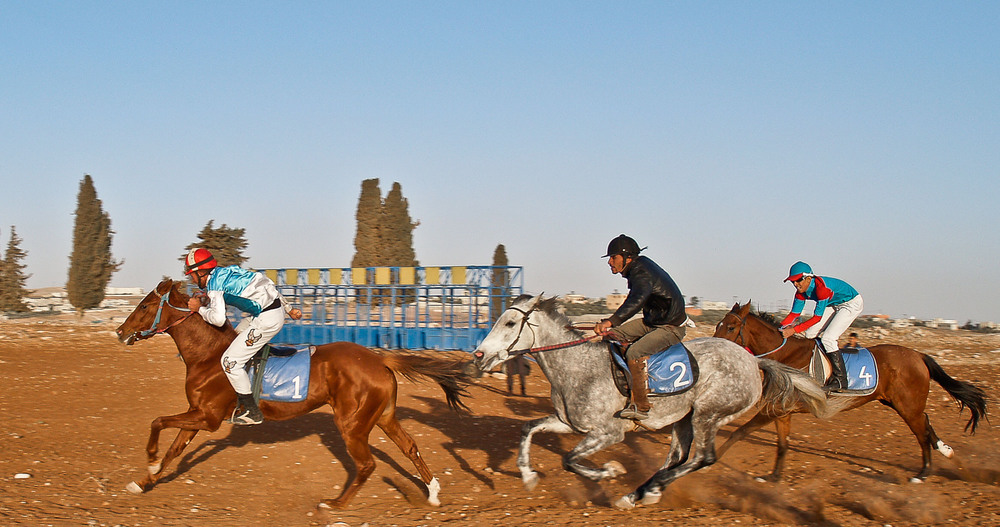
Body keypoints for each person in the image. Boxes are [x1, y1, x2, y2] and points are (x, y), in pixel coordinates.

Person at [184, 248, 302, 425]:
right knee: (232, 341)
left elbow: (217, 319)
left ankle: (251, 410)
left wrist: (198, 309)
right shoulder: (227, 271)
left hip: (266, 320)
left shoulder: (215, 285)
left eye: (191, 275)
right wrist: (289, 308)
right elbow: (266, 284)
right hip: (268, 312)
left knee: (229, 362)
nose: (191, 279)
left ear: (201, 272)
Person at [593, 234, 686, 420]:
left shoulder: (641, 271)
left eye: (614, 257)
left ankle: (641, 406)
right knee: (612, 335)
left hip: (669, 327)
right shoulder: (639, 268)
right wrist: (611, 326)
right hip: (655, 321)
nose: (610, 262)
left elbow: (637, 299)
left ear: (627, 257)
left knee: (634, 353)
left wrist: (611, 321)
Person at [779, 261, 863, 391]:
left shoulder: (821, 289)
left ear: (808, 278)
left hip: (851, 303)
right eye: (792, 282)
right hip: (833, 304)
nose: (795, 284)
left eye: (798, 280)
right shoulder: (800, 292)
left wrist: (794, 330)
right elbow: (794, 314)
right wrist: (778, 328)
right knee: (809, 334)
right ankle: (821, 367)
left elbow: (816, 318)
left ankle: (841, 380)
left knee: (828, 338)